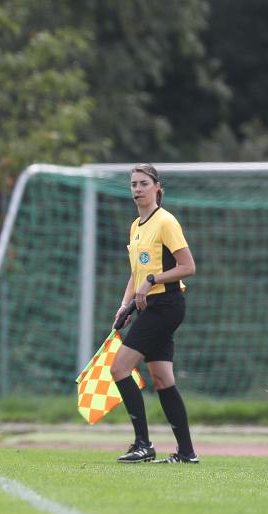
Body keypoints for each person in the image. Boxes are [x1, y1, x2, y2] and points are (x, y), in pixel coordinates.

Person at [111, 164, 198, 464]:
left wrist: (152, 281)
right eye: (133, 184)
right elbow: (137, 273)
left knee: (119, 368)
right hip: (150, 306)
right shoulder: (136, 226)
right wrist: (125, 306)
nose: (137, 189)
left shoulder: (166, 222)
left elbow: (188, 267)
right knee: (162, 378)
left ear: (157, 187)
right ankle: (186, 453)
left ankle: (143, 444)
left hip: (166, 305)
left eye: (143, 183)